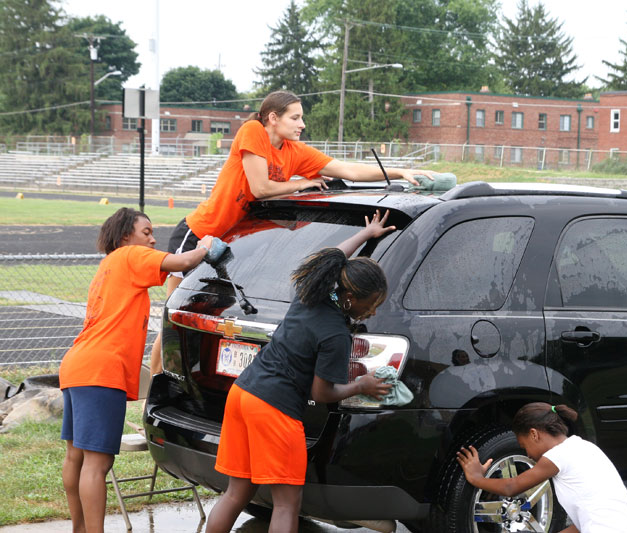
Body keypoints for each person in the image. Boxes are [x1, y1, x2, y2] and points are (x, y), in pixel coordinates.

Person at [150, 89, 436, 375]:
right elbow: (260, 188)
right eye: (296, 117)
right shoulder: (253, 131)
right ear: (273, 118)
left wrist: (400, 171)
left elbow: (346, 169)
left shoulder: (294, 152)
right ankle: (156, 390)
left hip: (232, 244)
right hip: (200, 232)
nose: (302, 124)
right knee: (174, 319)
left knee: (208, 321)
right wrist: (301, 184)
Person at [206, 210, 396, 533]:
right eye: (372, 303)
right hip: (274, 409)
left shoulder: (311, 292)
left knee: (236, 493)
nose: (374, 311)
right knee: (286, 504)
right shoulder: (336, 334)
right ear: (350, 297)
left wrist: (365, 235)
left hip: (243, 394)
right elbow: (320, 393)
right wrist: (361, 385)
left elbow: (336, 256)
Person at [59, 207, 215, 533]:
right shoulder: (130, 255)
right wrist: (208, 246)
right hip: (102, 370)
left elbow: (168, 277)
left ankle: (79, 529)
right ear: (126, 235)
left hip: (78, 365)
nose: (153, 238)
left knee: (76, 457)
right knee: (98, 463)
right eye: (147, 232)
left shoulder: (110, 264)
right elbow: (183, 263)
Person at [457, 403, 627, 533]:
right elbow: (585, 524)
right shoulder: (586, 448)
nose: (529, 455)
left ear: (534, 434)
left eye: (524, 446)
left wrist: (477, 478)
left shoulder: (557, 457)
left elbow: (511, 487)